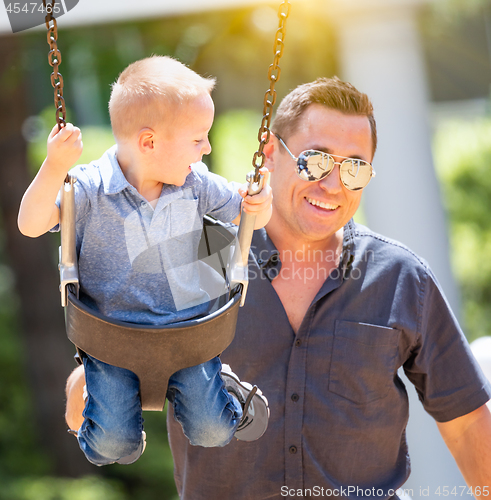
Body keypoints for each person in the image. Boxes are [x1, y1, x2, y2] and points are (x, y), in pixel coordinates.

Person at [165, 77, 491, 499]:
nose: (334, 185)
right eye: (315, 160)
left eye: (355, 167)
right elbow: (117, 371)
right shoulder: (201, 257)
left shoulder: (402, 278)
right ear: (270, 153)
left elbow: (467, 421)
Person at [17, 55, 272, 466]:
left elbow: (250, 218)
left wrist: (260, 203)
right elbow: (30, 224)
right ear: (150, 142)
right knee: (110, 448)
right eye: (197, 138)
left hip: (188, 334)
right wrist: (54, 166)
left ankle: (223, 392)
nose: (206, 148)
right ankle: (107, 410)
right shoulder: (89, 187)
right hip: (111, 337)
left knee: (214, 432)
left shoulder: (197, 183)